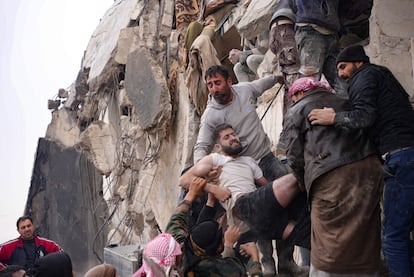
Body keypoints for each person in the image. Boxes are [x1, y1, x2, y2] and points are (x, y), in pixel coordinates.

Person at [307, 44, 414, 277]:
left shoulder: (363, 77)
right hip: (407, 155)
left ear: (359, 62)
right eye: (338, 69)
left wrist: (333, 117)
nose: (342, 74)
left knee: (393, 237)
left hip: (400, 157)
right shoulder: (383, 76)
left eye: (344, 67)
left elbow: (363, 116)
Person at [194, 64, 299, 276]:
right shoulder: (211, 115)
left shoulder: (245, 90)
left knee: (292, 198)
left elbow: (265, 83)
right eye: (210, 85)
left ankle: (287, 263)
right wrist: (208, 174)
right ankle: (267, 265)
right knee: (257, 213)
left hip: (267, 159)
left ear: (229, 82)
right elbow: (201, 147)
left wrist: (280, 78)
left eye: (217, 83)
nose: (214, 89)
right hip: (243, 168)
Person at [282, 77, 384, 276]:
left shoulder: (296, 110)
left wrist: (304, 182)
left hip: (331, 174)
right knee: (365, 231)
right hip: (369, 167)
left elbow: (293, 155)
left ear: (298, 93)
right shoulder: (344, 100)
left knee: (327, 238)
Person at [183, 124, 310, 248]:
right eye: (226, 137)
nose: (233, 138)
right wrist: (214, 189)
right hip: (242, 207)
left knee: (308, 235)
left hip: (259, 218)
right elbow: (184, 179)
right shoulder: (215, 160)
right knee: (296, 178)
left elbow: (267, 186)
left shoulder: (249, 161)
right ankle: (315, 168)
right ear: (218, 146)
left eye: (233, 134)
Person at [166, 176, 263, 277]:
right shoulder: (213, 269)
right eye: (222, 238)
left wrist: (192, 194)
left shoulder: (179, 252)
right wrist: (255, 257)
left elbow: (176, 220)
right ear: (217, 249)